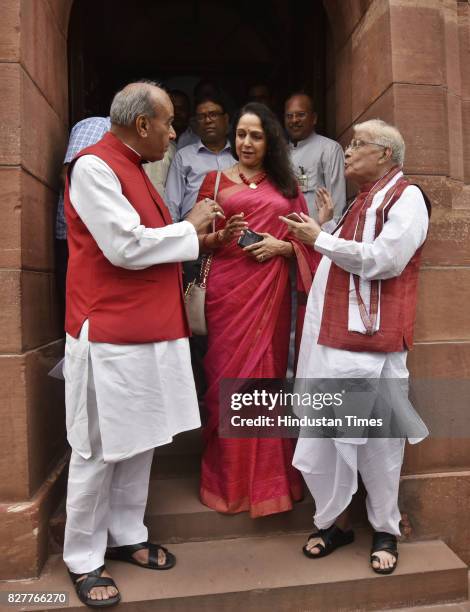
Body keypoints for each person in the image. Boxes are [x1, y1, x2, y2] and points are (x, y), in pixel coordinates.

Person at [62, 81, 220, 608]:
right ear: (142, 125)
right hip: (108, 332)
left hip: (149, 330)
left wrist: (200, 238)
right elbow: (125, 246)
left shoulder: (134, 168)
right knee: (99, 447)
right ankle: (83, 558)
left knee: (143, 438)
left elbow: (149, 242)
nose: (176, 133)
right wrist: (190, 227)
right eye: (170, 123)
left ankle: (127, 534)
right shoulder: (94, 166)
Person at [281, 119, 431, 574]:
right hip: (329, 343)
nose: (346, 151)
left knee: (379, 442)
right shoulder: (357, 205)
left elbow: (386, 260)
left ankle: (385, 528)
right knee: (326, 437)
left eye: (357, 144)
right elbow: (334, 264)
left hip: (372, 347)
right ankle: (334, 523)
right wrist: (324, 229)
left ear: (385, 154)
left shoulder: (407, 198)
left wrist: (320, 238)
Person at [197, 102, 319, 517]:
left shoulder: (287, 186)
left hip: (273, 295)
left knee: (266, 378)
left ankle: (272, 484)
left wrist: (284, 247)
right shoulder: (214, 182)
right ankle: (228, 483)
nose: (246, 142)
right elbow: (194, 239)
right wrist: (221, 237)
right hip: (228, 295)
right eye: (241, 134)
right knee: (227, 380)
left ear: (270, 141)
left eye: (256, 135)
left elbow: (309, 238)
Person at [55, 116, 111, 312]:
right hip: (79, 236)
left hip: (97, 238)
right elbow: (70, 176)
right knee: (81, 310)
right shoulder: (99, 126)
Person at [165, 94, 236, 222]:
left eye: (213, 114)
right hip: (194, 232)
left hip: (233, 229)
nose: (208, 120)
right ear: (196, 123)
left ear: (226, 119)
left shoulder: (239, 155)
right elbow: (171, 204)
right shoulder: (184, 156)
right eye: (201, 117)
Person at [284, 92, 346, 221]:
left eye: (301, 115)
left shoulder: (329, 149)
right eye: (289, 116)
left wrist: (327, 238)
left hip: (315, 237)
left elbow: (337, 204)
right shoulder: (279, 154)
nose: (294, 120)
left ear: (314, 118)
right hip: (282, 237)